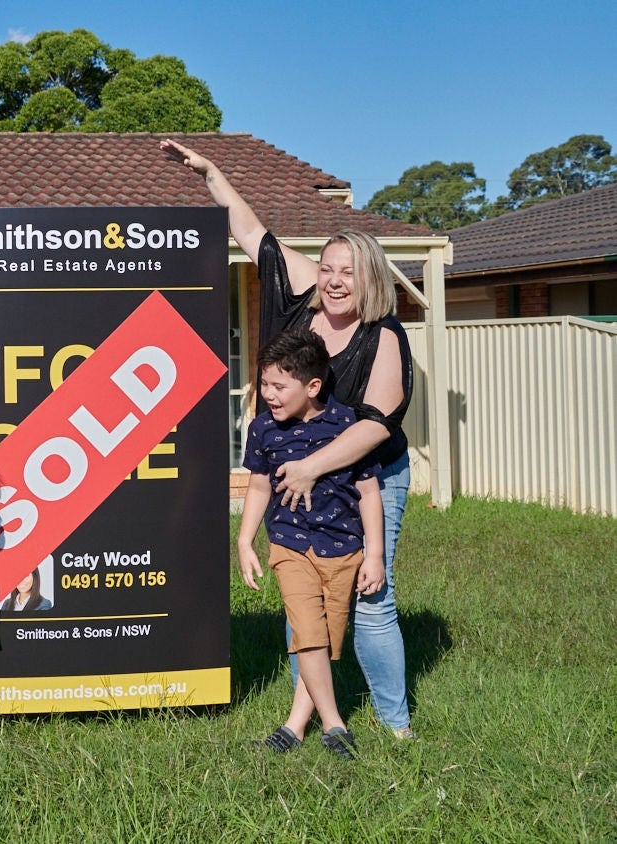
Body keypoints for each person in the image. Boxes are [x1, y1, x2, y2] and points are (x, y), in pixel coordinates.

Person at [162, 138, 418, 740]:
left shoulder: (384, 339)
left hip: (366, 479)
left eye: (346, 273)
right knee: (299, 593)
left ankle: (395, 723)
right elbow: (253, 234)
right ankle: (308, 716)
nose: (333, 281)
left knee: (369, 599)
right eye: (326, 269)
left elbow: (375, 427)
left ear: (370, 279)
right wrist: (211, 175)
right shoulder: (305, 298)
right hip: (292, 472)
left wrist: (309, 469)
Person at [238, 328, 384, 758]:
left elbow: (370, 492)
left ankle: (295, 724)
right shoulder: (263, 429)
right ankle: (335, 724)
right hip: (289, 546)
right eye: (264, 383)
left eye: (279, 386)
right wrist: (245, 541)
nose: (268, 394)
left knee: (324, 641)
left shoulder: (348, 427)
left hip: (343, 550)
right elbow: (260, 487)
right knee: (308, 632)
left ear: (313, 386)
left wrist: (374, 555)